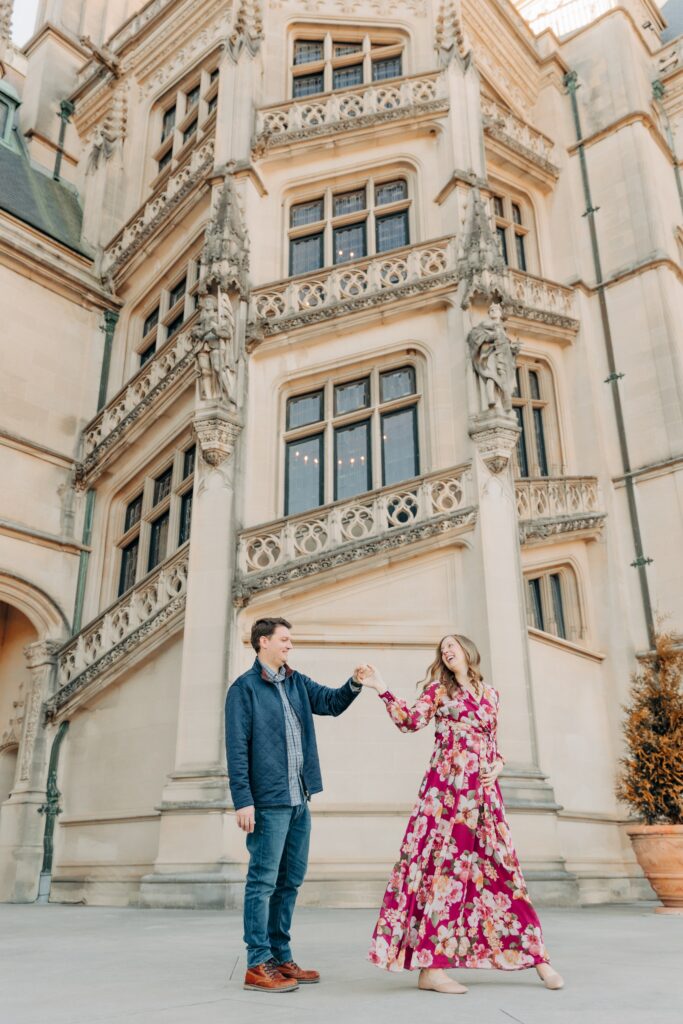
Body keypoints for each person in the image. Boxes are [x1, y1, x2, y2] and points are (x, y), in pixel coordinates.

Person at [357, 634, 564, 994]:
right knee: (442, 873)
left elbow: (494, 744)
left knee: (504, 871)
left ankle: (539, 958)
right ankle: (432, 969)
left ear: (468, 651)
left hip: (483, 797)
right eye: (441, 648)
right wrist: (382, 687)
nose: (446, 651)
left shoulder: (492, 694)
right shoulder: (439, 690)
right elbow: (409, 721)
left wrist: (498, 765)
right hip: (446, 794)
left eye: (452, 645)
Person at [225, 616, 363, 993]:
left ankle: (279, 956)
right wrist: (243, 801)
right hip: (267, 803)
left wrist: (354, 683)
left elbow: (332, 703)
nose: (290, 645)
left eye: (290, 640)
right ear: (263, 642)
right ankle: (257, 962)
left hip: (299, 799)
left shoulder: (297, 682)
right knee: (262, 882)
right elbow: (237, 750)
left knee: (290, 882)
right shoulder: (244, 689)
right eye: (284, 639)